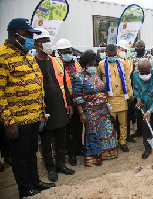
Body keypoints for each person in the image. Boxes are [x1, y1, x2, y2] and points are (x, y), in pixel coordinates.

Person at [0, 18, 55, 198]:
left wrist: (41, 112)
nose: (32, 38)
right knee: (20, 156)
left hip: (34, 117)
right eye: (29, 35)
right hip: (17, 120)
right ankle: (25, 188)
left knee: (32, 153)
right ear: (16, 35)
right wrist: (9, 122)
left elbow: (37, 86)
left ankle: (35, 182)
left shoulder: (27, 57)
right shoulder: (3, 57)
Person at [34, 30, 75, 182]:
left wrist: (69, 104)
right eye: (44, 40)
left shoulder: (57, 61)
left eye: (48, 40)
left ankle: (60, 165)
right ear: (37, 44)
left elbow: (65, 84)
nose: (48, 43)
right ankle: (50, 168)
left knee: (61, 139)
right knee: (46, 142)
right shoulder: (32, 63)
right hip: (44, 109)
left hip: (60, 106)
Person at [72, 49, 118, 166]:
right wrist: (81, 113)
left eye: (94, 64)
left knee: (107, 131)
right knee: (93, 134)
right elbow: (77, 97)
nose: (93, 66)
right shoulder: (78, 77)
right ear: (84, 64)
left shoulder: (96, 75)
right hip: (90, 111)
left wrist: (106, 102)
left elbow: (103, 89)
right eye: (90, 65)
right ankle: (94, 158)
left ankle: (107, 154)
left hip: (103, 109)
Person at [97, 44, 133, 152]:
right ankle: (112, 142)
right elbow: (98, 80)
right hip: (109, 99)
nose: (112, 57)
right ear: (106, 54)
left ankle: (122, 142)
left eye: (114, 55)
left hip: (122, 97)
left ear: (116, 54)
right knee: (111, 123)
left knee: (123, 123)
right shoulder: (101, 64)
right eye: (110, 55)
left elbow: (127, 79)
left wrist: (130, 94)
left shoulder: (122, 63)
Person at [56, 38, 83, 166]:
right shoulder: (57, 64)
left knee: (78, 128)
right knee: (68, 131)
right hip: (64, 102)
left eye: (69, 51)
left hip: (77, 100)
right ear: (59, 52)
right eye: (65, 52)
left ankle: (78, 148)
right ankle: (71, 154)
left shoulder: (76, 64)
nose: (68, 54)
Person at [131, 40, 153, 138]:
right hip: (137, 88)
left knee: (148, 110)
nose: (139, 48)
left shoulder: (150, 58)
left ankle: (148, 131)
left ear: (144, 47)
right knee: (138, 111)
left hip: (148, 88)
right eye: (137, 46)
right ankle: (139, 130)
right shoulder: (131, 59)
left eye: (141, 46)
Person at [116, 40, 136, 143]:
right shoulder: (111, 62)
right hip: (115, 94)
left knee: (127, 116)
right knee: (116, 118)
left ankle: (127, 135)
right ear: (117, 49)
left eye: (125, 50)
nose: (123, 52)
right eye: (122, 50)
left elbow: (130, 79)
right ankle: (118, 137)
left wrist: (130, 93)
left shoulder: (129, 62)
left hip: (127, 93)